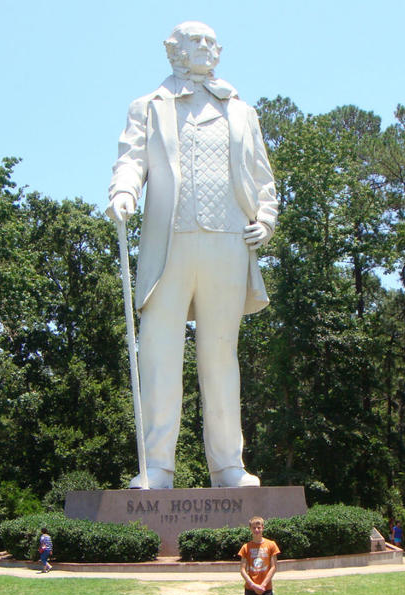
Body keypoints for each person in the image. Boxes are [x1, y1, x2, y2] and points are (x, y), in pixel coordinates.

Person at [107, 21, 278, 489]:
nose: (204, 47)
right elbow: (131, 158)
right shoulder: (148, 106)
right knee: (160, 355)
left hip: (228, 242)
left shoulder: (242, 111)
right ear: (173, 51)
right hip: (169, 244)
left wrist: (265, 219)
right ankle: (157, 466)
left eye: (210, 41)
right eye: (194, 41)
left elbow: (262, 178)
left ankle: (228, 466)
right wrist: (124, 190)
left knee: (221, 356)